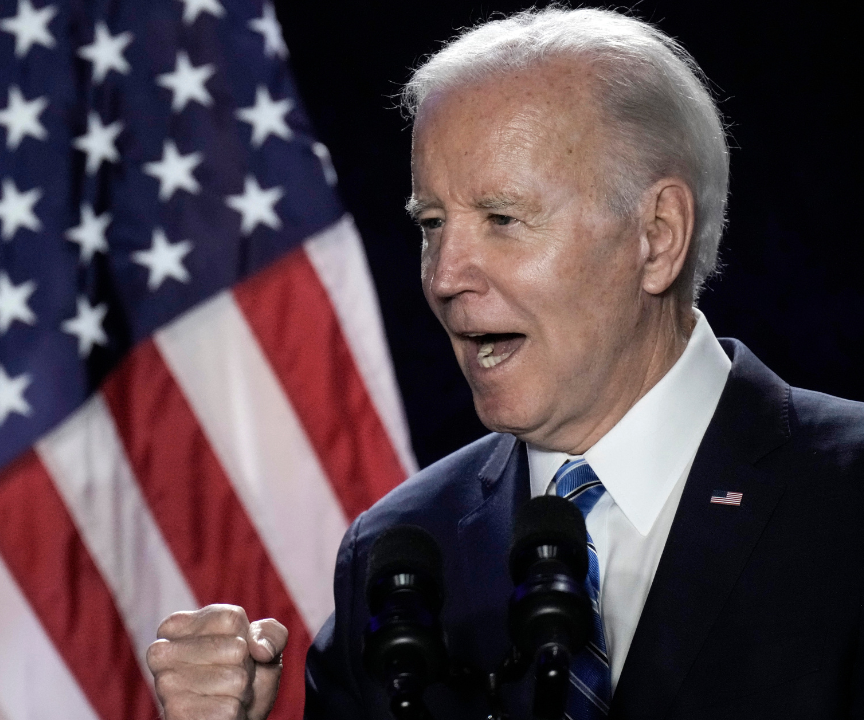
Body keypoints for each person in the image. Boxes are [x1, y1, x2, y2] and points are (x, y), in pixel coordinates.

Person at [145, 7, 864, 719]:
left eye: (502, 219)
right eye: (431, 224)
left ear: (657, 235)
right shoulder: (401, 550)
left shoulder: (844, 498)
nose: (445, 274)